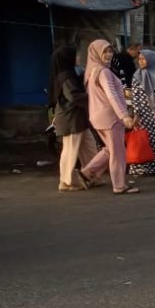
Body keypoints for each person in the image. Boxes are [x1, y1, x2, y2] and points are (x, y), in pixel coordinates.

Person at [80, 39, 139, 194]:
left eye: (110, 51)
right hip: (110, 117)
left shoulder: (91, 71)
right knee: (118, 152)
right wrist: (124, 115)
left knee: (109, 149)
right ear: (96, 53)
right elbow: (111, 94)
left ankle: (87, 173)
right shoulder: (104, 72)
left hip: (97, 117)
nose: (108, 54)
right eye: (104, 51)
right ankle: (119, 185)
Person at [49, 46, 98, 192]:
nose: (78, 58)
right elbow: (73, 96)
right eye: (75, 56)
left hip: (77, 118)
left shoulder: (71, 74)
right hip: (71, 118)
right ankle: (66, 182)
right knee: (71, 150)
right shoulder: (66, 76)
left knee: (89, 148)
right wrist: (94, 97)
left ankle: (91, 176)